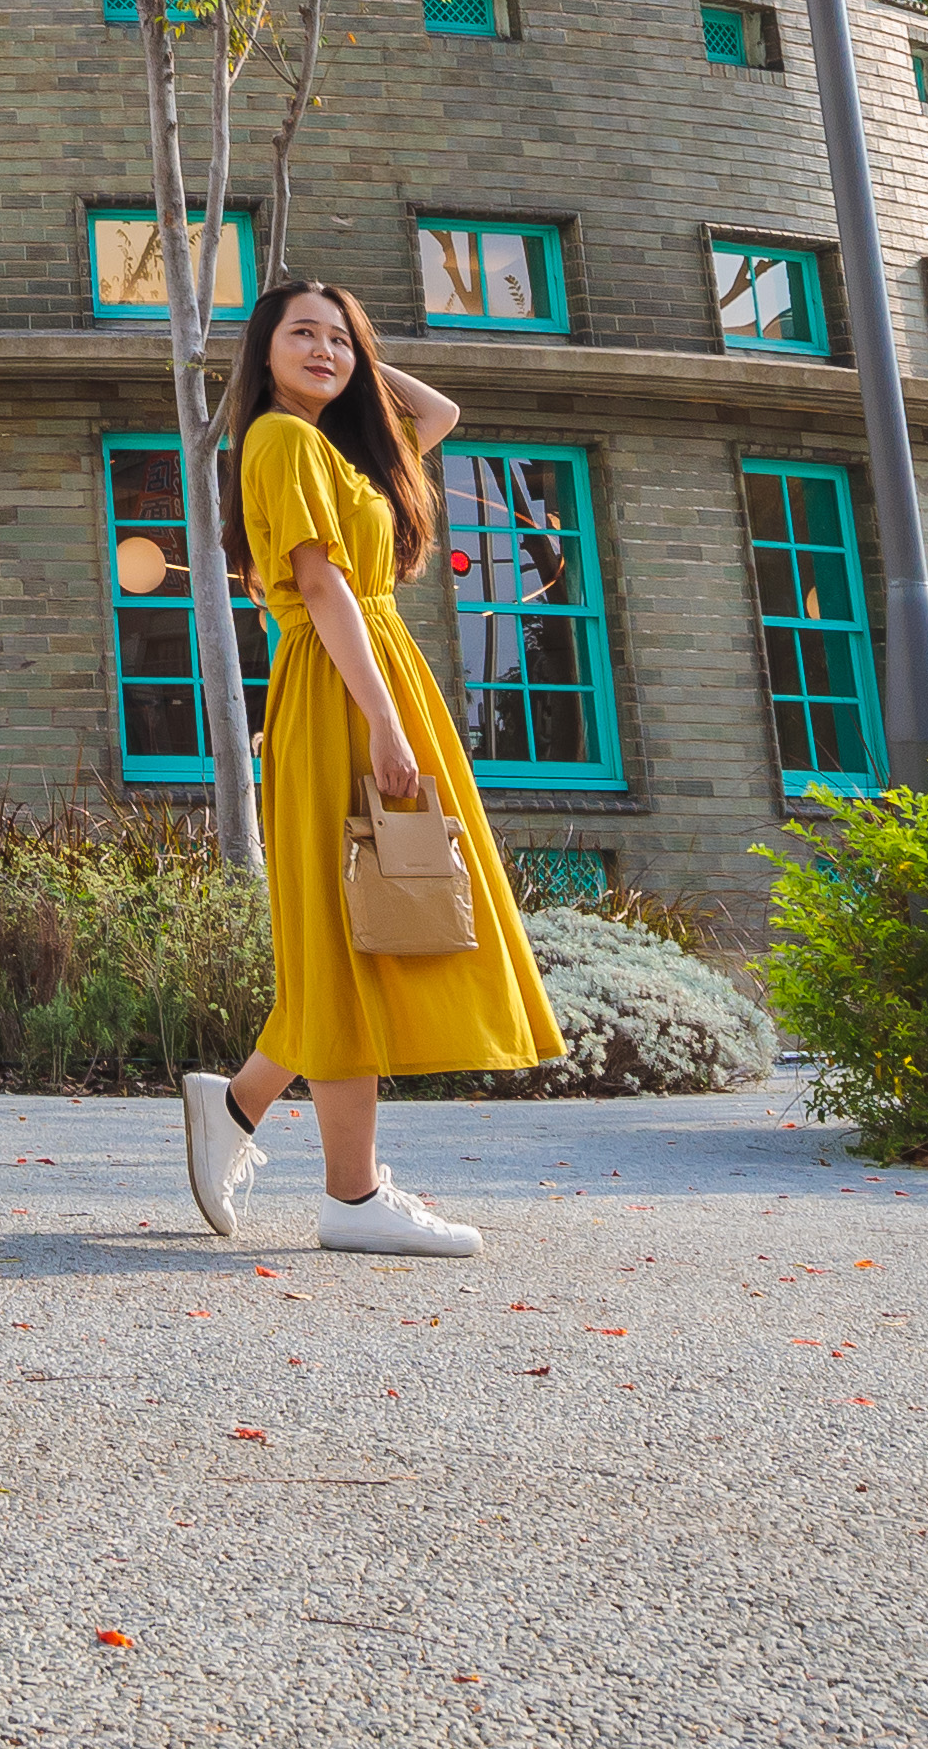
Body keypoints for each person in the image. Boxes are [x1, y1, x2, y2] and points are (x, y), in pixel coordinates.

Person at [180, 274, 561, 1255]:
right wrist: (385, 722)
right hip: (342, 683)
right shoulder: (283, 440)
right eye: (301, 335)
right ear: (261, 351)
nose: (325, 351)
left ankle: (237, 1105)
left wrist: (354, 364)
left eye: (340, 339)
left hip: (364, 674)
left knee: (345, 931)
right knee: (349, 936)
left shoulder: (335, 448)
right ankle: (351, 1198)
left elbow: (438, 415)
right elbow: (323, 586)